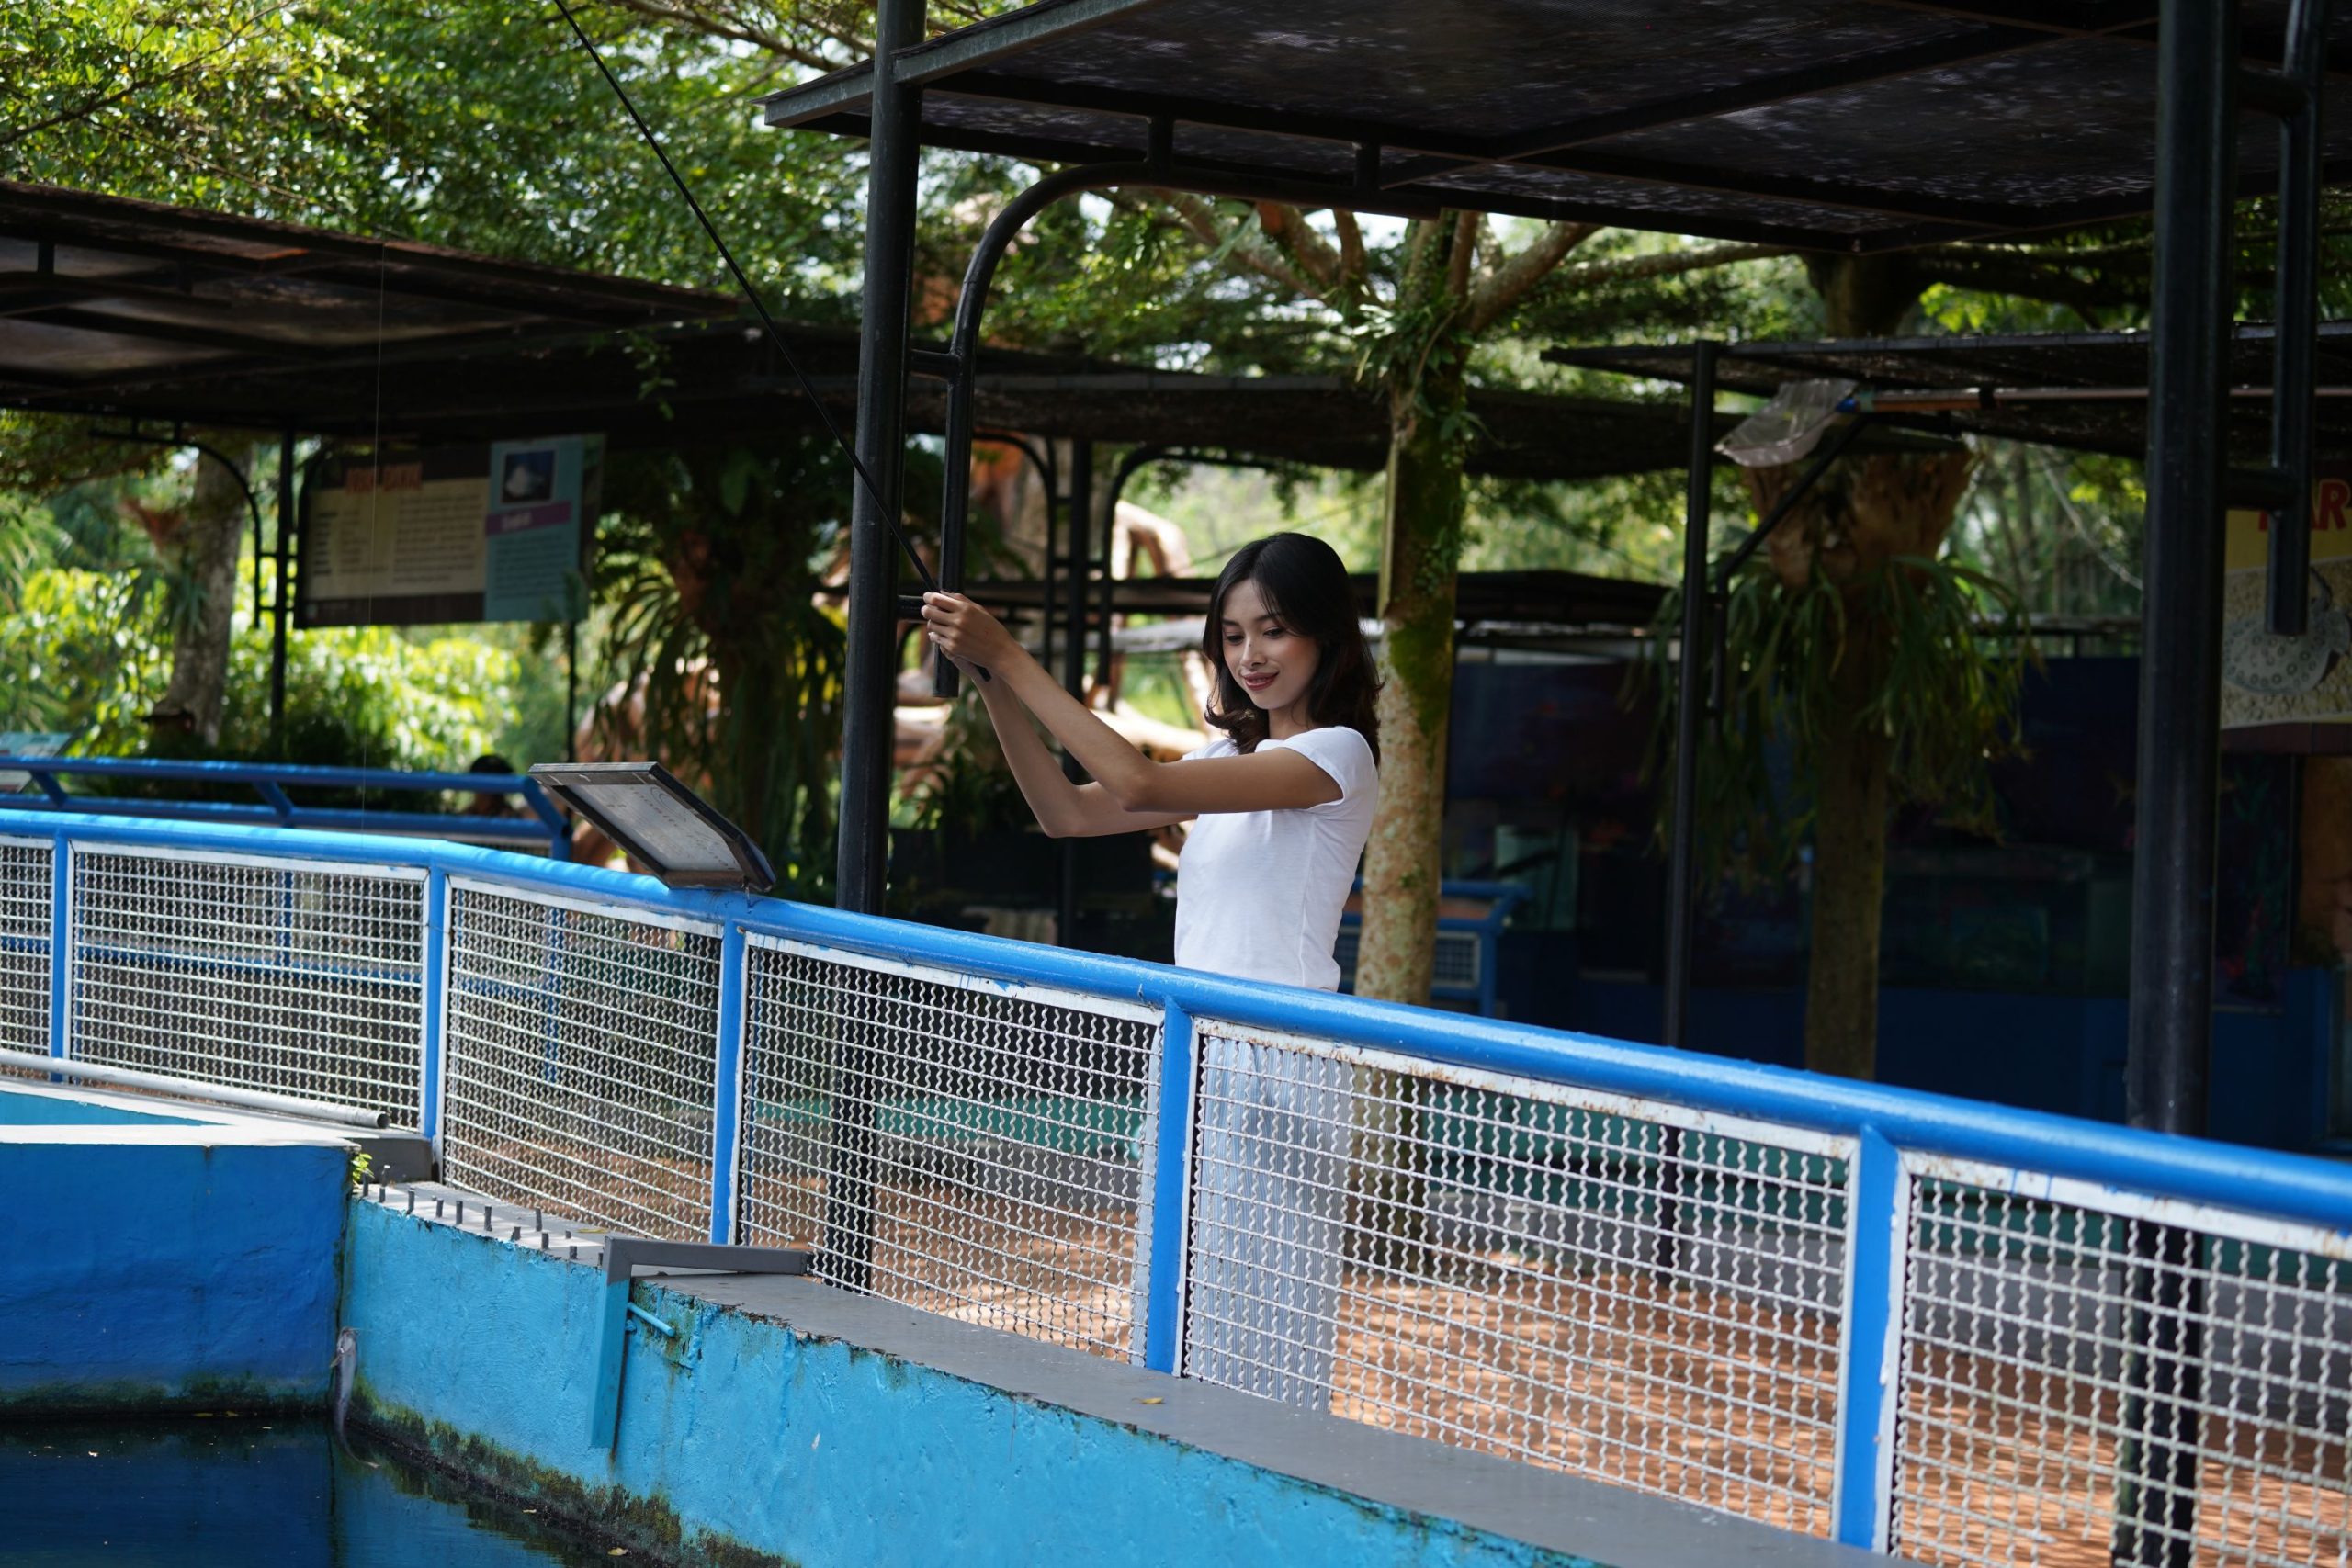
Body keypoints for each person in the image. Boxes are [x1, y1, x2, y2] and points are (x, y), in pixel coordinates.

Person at [921, 530, 1379, 1408]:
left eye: (1274, 630)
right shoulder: (1226, 759)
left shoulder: (1337, 754)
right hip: (1196, 1060)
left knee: (1263, 1343)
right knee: (1178, 1324)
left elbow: (1131, 784)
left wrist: (1013, 656)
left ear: (1326, 636)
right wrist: (991, 683)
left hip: (1280, 1065)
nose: (1250, 655)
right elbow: (1063, 812)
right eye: (1234, 635)